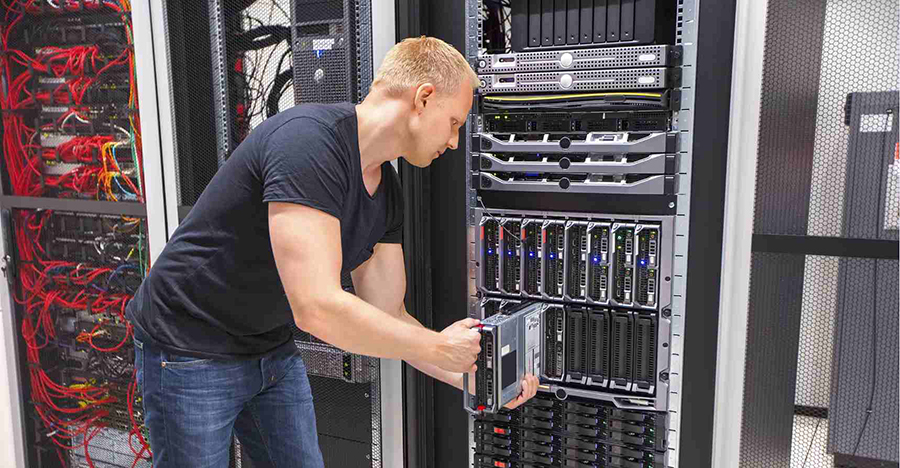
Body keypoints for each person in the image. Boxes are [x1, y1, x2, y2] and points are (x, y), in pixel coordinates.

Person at [126, 36, 540, 467]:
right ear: (423, 98)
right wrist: (438, 346)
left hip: (267, 345)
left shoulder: (387, 192)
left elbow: (390, 315)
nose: (454, 141)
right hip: (188, 345)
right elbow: (316, 307)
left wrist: (471, 377)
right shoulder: (307, 143)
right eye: (454, 122)